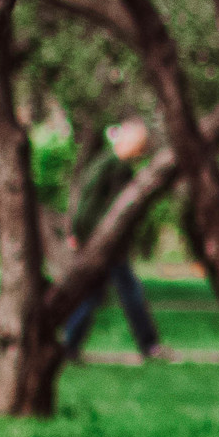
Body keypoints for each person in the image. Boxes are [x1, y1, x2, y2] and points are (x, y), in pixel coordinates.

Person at [62, 117, 172, 364]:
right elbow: (99, 207)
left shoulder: (105, 162)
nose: (142, 149)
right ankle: (149, 345)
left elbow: (86, 202)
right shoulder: (116, 167)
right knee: (127, 291)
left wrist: (78, 233)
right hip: (104, 243)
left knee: (94, 294)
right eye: (140, 143)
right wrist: (87, 236)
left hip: (97, 240)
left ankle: (69, 345)